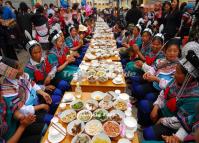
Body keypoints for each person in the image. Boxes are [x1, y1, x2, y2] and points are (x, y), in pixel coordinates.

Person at [142, 41, 199, 143]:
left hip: (175, 123)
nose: (174, 75)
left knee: (148, 134)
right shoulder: (176, 81)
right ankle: (147, 125)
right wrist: (156, 107)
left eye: (177, 73)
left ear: (188, 77)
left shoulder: (194, 97)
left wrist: (163, 121)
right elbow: (164, 92)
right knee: (144, 104)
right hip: (165, 109)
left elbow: (183, 121)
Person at [24, 39, 70, 112]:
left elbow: (54, 67)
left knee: (64, 84)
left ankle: (67, 101)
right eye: (35, 53)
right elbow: (30, 85)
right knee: (57, 96)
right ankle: (54, 111)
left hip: (50, 79)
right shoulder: (28, 68)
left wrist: (49, 76)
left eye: (39, 51)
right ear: (30, 54)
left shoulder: (45, 58)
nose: (38, 54)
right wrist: (44, 87)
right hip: (40, 89)